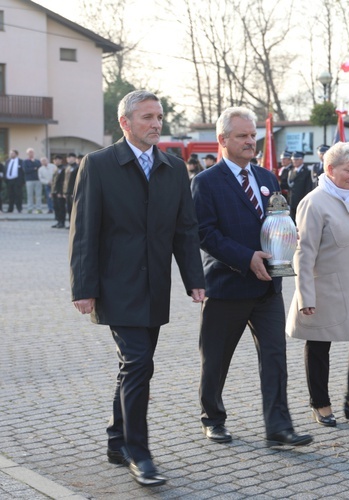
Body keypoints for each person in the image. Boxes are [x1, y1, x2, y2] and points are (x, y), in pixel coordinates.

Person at [69, 90, 206, 487]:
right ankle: (138, 452)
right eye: (147, 117)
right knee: (138, 364)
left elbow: (185, 229)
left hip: (154, 286)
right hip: (115, 286)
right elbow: (84, 232)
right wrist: (84, 286)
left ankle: (116, 440)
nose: (156, 123)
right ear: (126, 122)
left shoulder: (173, 168)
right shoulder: (98, 165)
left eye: (159, 117)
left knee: (135, 367)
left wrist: (194, 279)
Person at [191, 106, 312, 449]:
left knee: (275, 358)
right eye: (242, 136)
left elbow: (276, 221)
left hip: (267, 288)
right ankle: (213, 419)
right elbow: (205, 234)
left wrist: (287, 238)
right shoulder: (205, 182)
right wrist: (246, 258)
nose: (250, 141)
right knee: (216, 359)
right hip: (227, 286)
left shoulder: (267, 178)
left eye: (252, 135)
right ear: (222, 140)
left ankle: (278, 427)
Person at [287, 142, 349, 427]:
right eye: (348, 170)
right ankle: (320, 403)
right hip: (326, 287)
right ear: (330, 169)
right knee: (319, 344)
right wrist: (305, 295)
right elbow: (304, 252)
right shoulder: (314, 202)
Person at [288, 151, 313, 220]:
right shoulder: (291, 171)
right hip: (292, 201)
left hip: (302, 200)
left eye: (297, 159)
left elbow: (308, 188)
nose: (294, 161)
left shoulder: (307, 171)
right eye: (293, 159)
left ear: (302, 160)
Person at [22, 148, 43, 214]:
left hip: (38, 180)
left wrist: (33, 165)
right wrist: (34, 168)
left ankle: (38, 208)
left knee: (38, 195)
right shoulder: (25, 161)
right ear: (27, 153)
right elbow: (26, 170)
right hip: (29, 180)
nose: (31, 153)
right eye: (29, 152)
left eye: (32, 152)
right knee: (29, 195)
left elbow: (40, 168)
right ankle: (30, 208)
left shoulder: (37, 161)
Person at [51, 155, 67, 228]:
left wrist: (61, 192)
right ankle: (58, 221)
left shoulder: (63, 169)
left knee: (61, 207)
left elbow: (63, 182)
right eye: (54, 160)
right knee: (56, 207)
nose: (56, 161)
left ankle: (62, 222)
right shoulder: (56, 169)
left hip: (59, 192)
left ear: (61, 160)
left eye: (57, 160)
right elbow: (54, 181)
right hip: (55, 191)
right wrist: (52, 191)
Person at [63, 153, 79, 219]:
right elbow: (65, 181)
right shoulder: (67, 167)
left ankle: (74, 225)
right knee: (69, 209)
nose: (68, 159)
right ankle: (70, 224)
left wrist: (75, 191)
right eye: (68, 157)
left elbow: (77, 181)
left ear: (74, 158)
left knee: (74, 209)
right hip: (67, 191)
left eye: (70, 157)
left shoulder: (77, 167)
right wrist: (64, 192)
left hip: (73, 191)